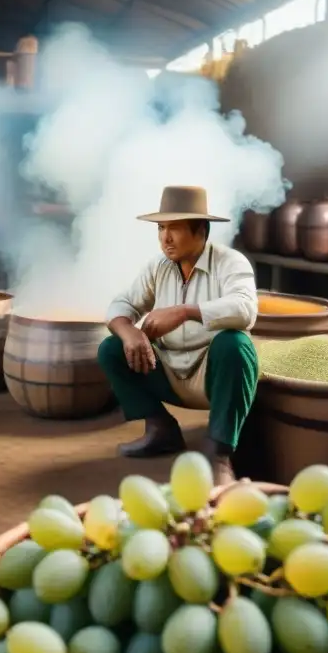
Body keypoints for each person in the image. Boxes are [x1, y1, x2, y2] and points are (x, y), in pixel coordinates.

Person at [98, 185, 260, 484]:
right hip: (168, 370)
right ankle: (161, 429)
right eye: (161, 228)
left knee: (235, 344)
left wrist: (183, 311)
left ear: (201, 231)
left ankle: (219, 454)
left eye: (174, 229)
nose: (165, 238)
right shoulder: (158, 267)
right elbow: (122, 304)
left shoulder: (230, 262)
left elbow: (246, 309)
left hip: (210, 376)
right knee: (111, 347)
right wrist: (129, 331)